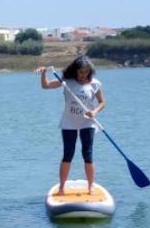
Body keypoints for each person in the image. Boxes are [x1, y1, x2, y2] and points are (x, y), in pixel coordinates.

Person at [37, 55, 105, 195]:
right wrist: (44, 73)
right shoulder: (66, 82)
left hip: (87, 122)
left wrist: (95, 111)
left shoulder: (95, 84)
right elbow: (46, 86)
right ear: (75, 70)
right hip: (69, 123)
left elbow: (102, 102)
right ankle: (62, 187)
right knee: (68, 154)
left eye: (86, 72)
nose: (83, 75)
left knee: (88, 154)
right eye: (80, 72)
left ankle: (90, 186)